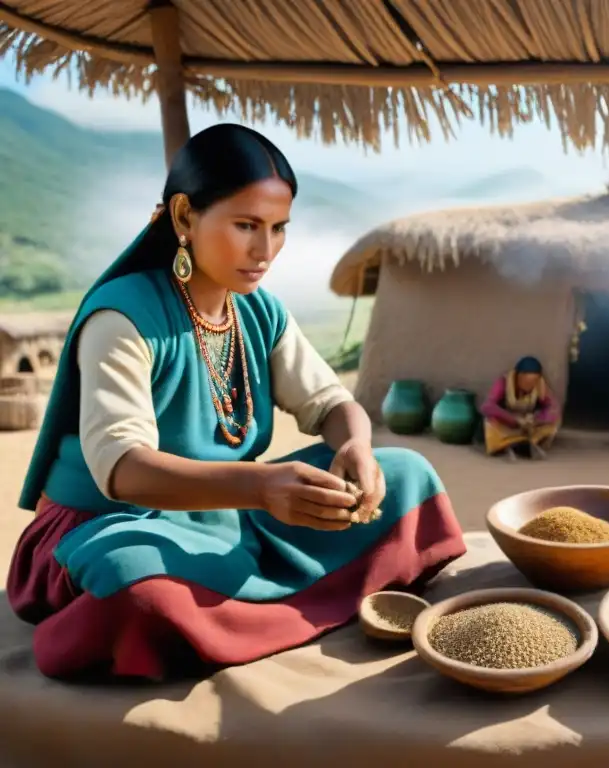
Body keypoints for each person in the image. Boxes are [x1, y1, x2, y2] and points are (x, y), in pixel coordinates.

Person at [6, 125, 466, 681]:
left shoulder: (258, 312)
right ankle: (288, 597)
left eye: (278, 229)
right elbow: (122, 471)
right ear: (183, 218)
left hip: (225, 513)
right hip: (109, 527)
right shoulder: (121, 318)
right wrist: (262, 488)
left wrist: (357, 449)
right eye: (246, 225)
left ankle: (240, 606)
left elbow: (330, 403)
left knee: (406, 475)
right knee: (136, 584)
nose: (265, 250)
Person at [480, 356, 560, 460]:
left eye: (533, 382)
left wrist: (537, 419)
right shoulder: (504, 382)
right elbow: (487, 406)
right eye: (526, 382)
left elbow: (553, 408)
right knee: (490, 423)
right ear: (518, 376)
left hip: (527, 426)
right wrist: (513, 419)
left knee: (552, 427)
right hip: (506, 424)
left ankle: (522, 445)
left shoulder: (541, 385)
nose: (529, 386)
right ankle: (507, 446)